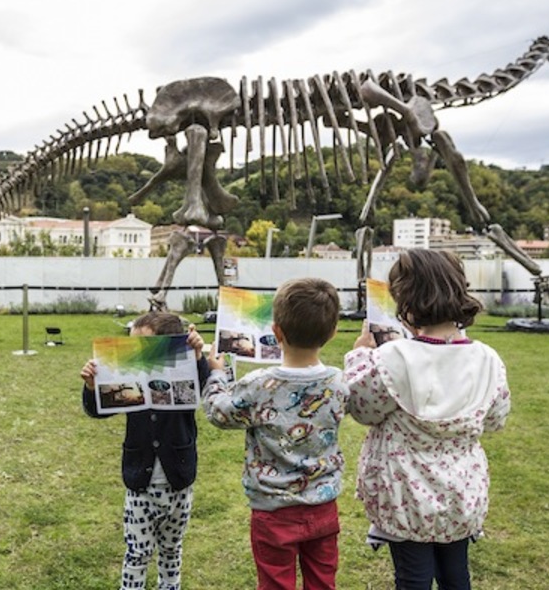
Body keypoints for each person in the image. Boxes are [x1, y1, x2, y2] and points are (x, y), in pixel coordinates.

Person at [344, 249, 511, 590]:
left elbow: (362, 407)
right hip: (461, 491)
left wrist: (360, 354)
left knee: (413, 577)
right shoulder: (486, 359)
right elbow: (496, 418)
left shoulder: (393, 357)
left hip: (405, 493)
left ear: (406, 300)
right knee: (456, 574)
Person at [202, 277, 348, 590]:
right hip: (323, 506)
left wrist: (217, 374)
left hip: (273, 510)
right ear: (333, 332)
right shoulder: (339, 382)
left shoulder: (258, 384)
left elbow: (218, 412)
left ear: (276, 332)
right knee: (323, 584)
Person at [81, 311, 209, 590]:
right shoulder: (128, 376)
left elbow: (205, 390)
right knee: (137, 553)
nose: (135, 352)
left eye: (143, 346)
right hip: (140, 482)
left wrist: (198, 357)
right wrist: (92, 386)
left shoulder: (185, 370)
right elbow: (97, 410)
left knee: (172, 549)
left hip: (178, 480)